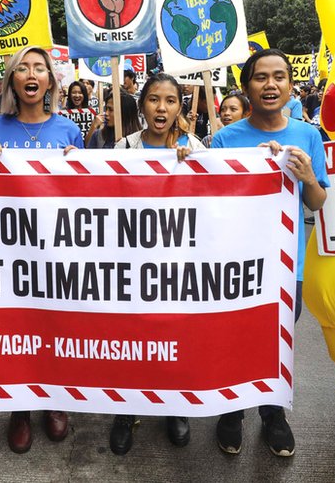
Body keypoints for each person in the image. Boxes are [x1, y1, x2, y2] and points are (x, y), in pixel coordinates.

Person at [211, 48, 329, 457]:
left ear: (291, 86)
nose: (271, 84)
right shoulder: (226, 139)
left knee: (277, 341)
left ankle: (273, 414)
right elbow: (213, 200)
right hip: (237, 263)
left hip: (285, 267)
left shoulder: (308, 135)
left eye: (279, 76)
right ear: (247, 87)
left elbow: (317, 202)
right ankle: (231, 411)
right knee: (234, 336)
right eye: (261, 77)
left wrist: (308, 176)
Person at [0, 46, 82, 453]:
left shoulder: (68, 130)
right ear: (12, 81)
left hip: (55, 249)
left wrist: (79, 164)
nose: (32, 74)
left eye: (40, 67)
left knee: (54, 323)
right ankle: (19, 406)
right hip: (9, 252)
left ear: (51, 80)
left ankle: (55, 396)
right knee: (14, 327)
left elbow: (86, 196)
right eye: (23, 68)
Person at [109, 73, 202, 454]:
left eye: (170, 100)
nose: (161, 108)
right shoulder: (124, 146)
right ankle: (126, 410)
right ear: (142, 105)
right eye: (153, 100)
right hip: (132, 262)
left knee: (175, 338)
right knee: (131, 339)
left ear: (180, 107)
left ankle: (174, 405)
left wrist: (193, 165)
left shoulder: (194, 146)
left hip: (177, 264)